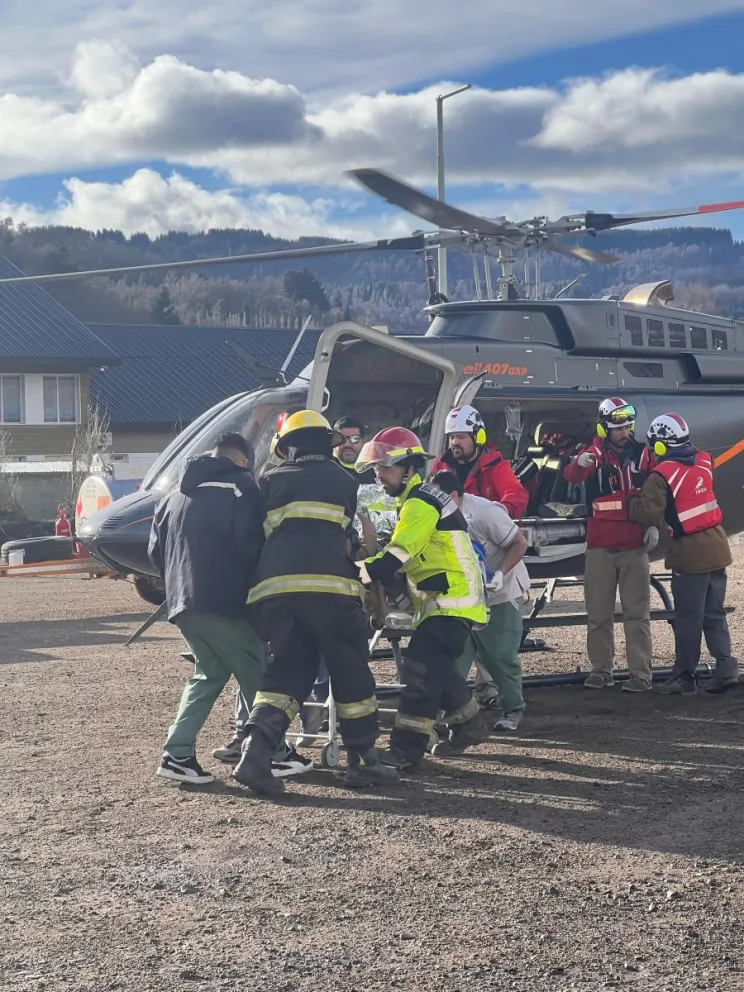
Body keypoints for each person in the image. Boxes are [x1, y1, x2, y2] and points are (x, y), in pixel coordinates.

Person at [232, 410, 398, 795]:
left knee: (288, 670)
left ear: (287, 447)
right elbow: (346, 537)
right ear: (328, 443)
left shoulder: (268, 480)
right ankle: (362, 762)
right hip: (330, 593)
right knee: (349, 670)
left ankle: (255, 756)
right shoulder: (342, 481)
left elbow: (262, 535)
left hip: (275, 594)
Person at [148, 432, 310, 784]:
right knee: (258, 674)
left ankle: (177, 754)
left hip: (181, 603)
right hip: (226, 602)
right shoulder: (242, 488)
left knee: (209, 674)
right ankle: (277, 753)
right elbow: (253, 545)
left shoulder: (172, 495)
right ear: (243, 461)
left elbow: (154, 553)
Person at [356, 427, 490, 770]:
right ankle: (469, 723)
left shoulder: (419, 504)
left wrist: (351, 571)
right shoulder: (420, 499)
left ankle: (405, 750)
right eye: (377, 468)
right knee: (436, 670)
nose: (379, 475)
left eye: (386, 467)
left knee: (419, 671)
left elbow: (396, 556)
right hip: (449, 600)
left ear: (409, 468)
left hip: (451, 601)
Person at [627, 413, 739, 695]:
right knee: (714, 613)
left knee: (688, 617)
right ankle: (726, 667)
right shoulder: (704, 460)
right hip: (717, 545)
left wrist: (630, 501)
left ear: (661, 446)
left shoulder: (660, 475)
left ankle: (685, 676)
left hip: (691, 552)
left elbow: (649, 513)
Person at [563, 397, 656, 692]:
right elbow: (571, 475)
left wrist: (654, 523)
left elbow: (657, 488)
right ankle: (601, 670)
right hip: (601, 546)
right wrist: (578, 463)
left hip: (634, 545)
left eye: (627, 427)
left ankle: (640, 675)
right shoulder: (592, 454)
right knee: (599, 614)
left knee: (637, 615)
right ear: (604, 429)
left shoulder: (644, 455)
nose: (624, 433)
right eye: (618, 428)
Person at [431, 471, 530, 737]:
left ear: (453, 496)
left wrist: (500, 574)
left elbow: (519, 542)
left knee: (500, 655)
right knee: (455, 656)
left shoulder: (485, 512)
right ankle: (450, 712)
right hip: (463, 596)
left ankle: (513, 708)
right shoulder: (433, 516)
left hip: (500, 591)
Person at [430, 404, 529, 519]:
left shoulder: (495, 466)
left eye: (461, 437)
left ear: (478, 437)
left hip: (483, 533)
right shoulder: (441, 465)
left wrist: (498, 514)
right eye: (452, 437)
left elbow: (516, 494)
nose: (455, 442)